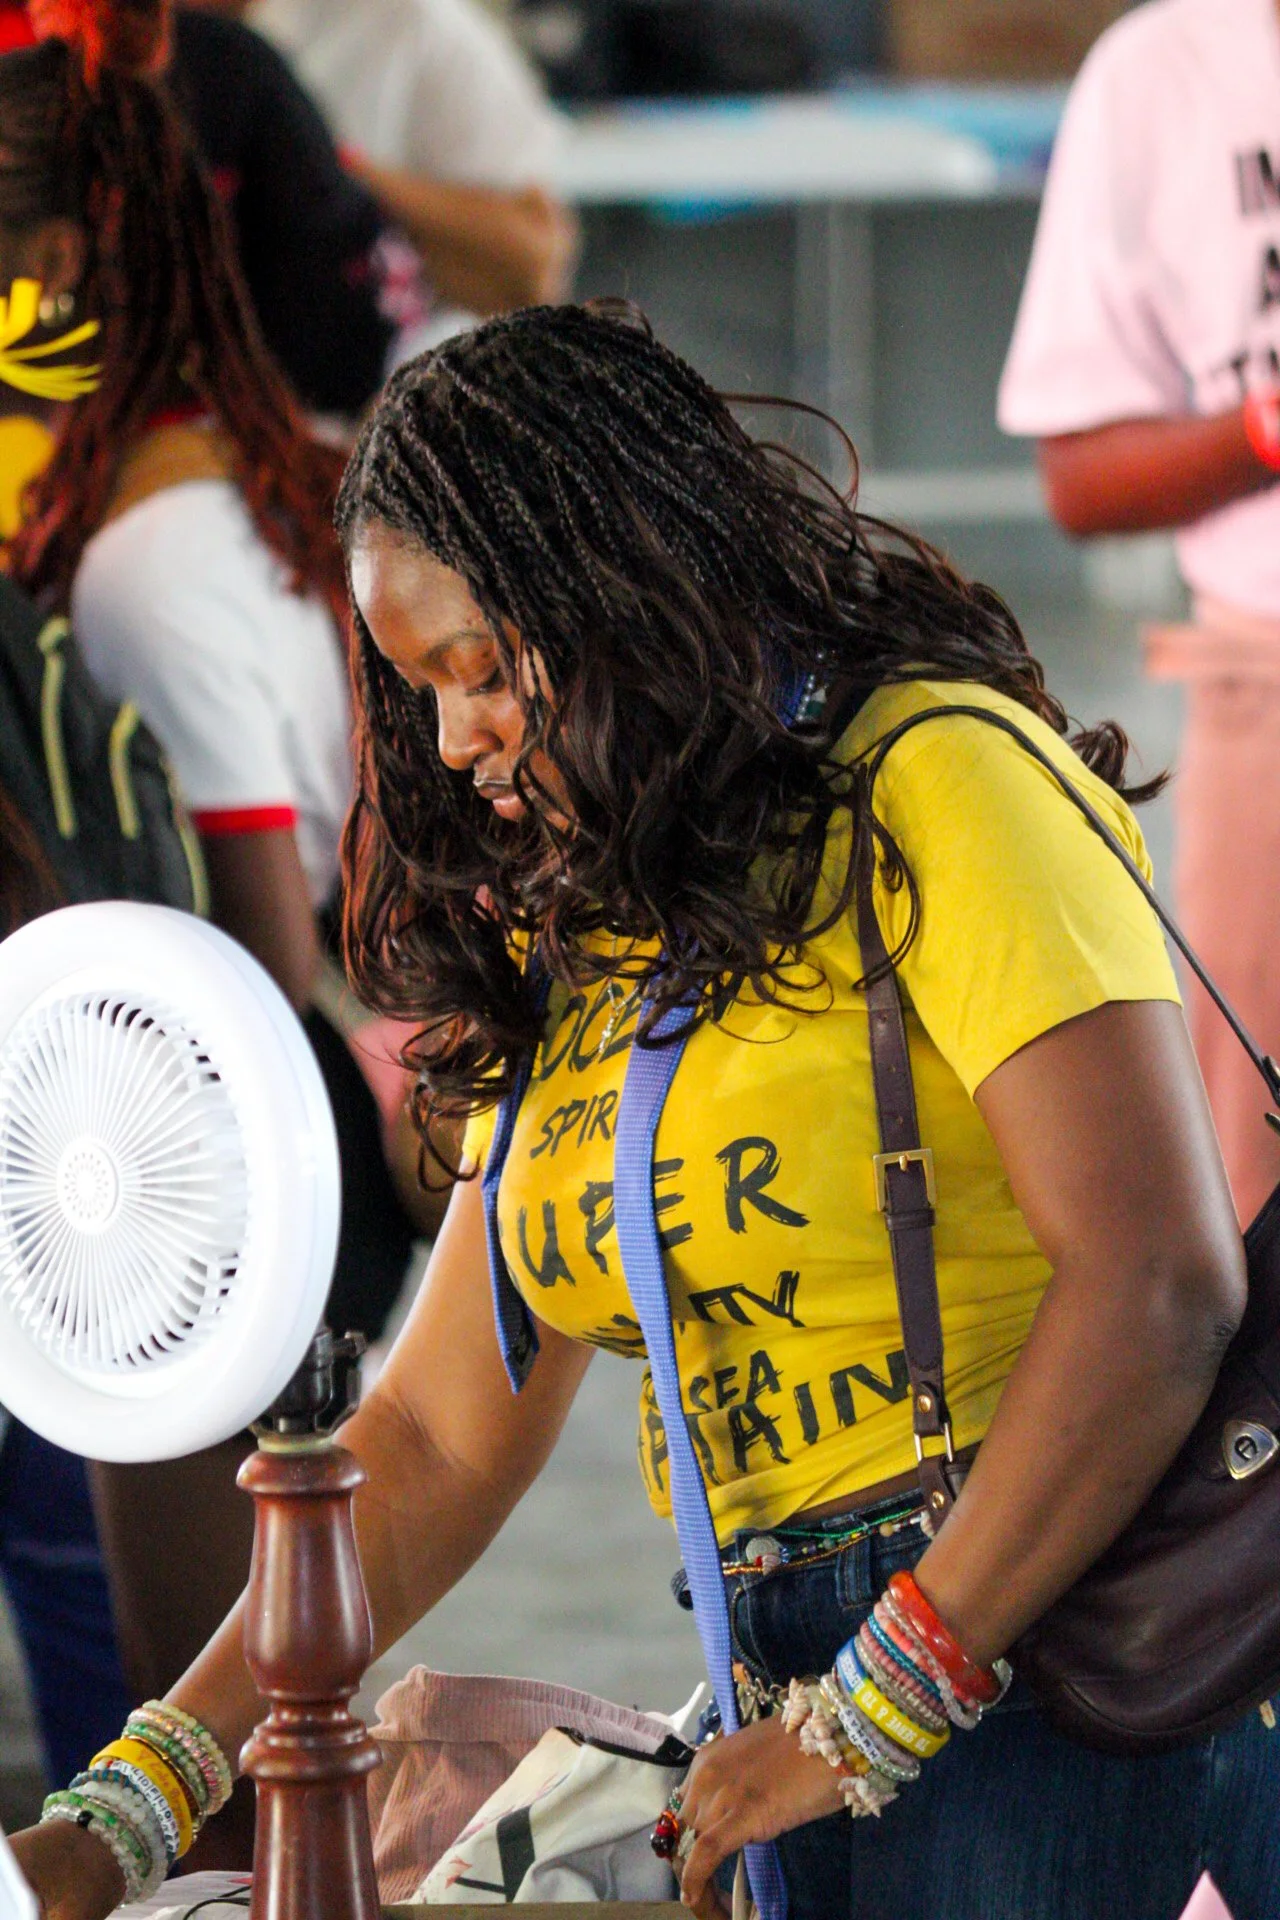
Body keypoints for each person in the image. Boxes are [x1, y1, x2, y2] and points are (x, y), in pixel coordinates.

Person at [14, 301, 1278, 1920]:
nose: (457, 738)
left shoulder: (940, 779)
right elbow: (432, 1435)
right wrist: (135, 1804)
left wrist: (878, 1704)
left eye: (480, 668)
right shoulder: (591, 922)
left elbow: (1159, 1284)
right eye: (420, 690)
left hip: (1056, 1659)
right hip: (785, 1703)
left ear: (624, 586)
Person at [0, 0, 432, 1863]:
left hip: (201, 1174)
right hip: (255, 1142)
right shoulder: (239, 486)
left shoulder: (136, 566)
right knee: (239, 1731)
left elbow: (252, 952)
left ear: (62, 261)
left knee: (202, 1768)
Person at [998, 0, 1280, 1226]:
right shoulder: (1164, 68)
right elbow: (1082, 474)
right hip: (1261, 671)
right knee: (1245, 1157)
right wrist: (1267, 423)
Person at [188, 0, 577, 343]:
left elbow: (532, 270)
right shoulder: (139, 44)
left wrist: (319, 162)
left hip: (374, 401)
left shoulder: (404, 20)